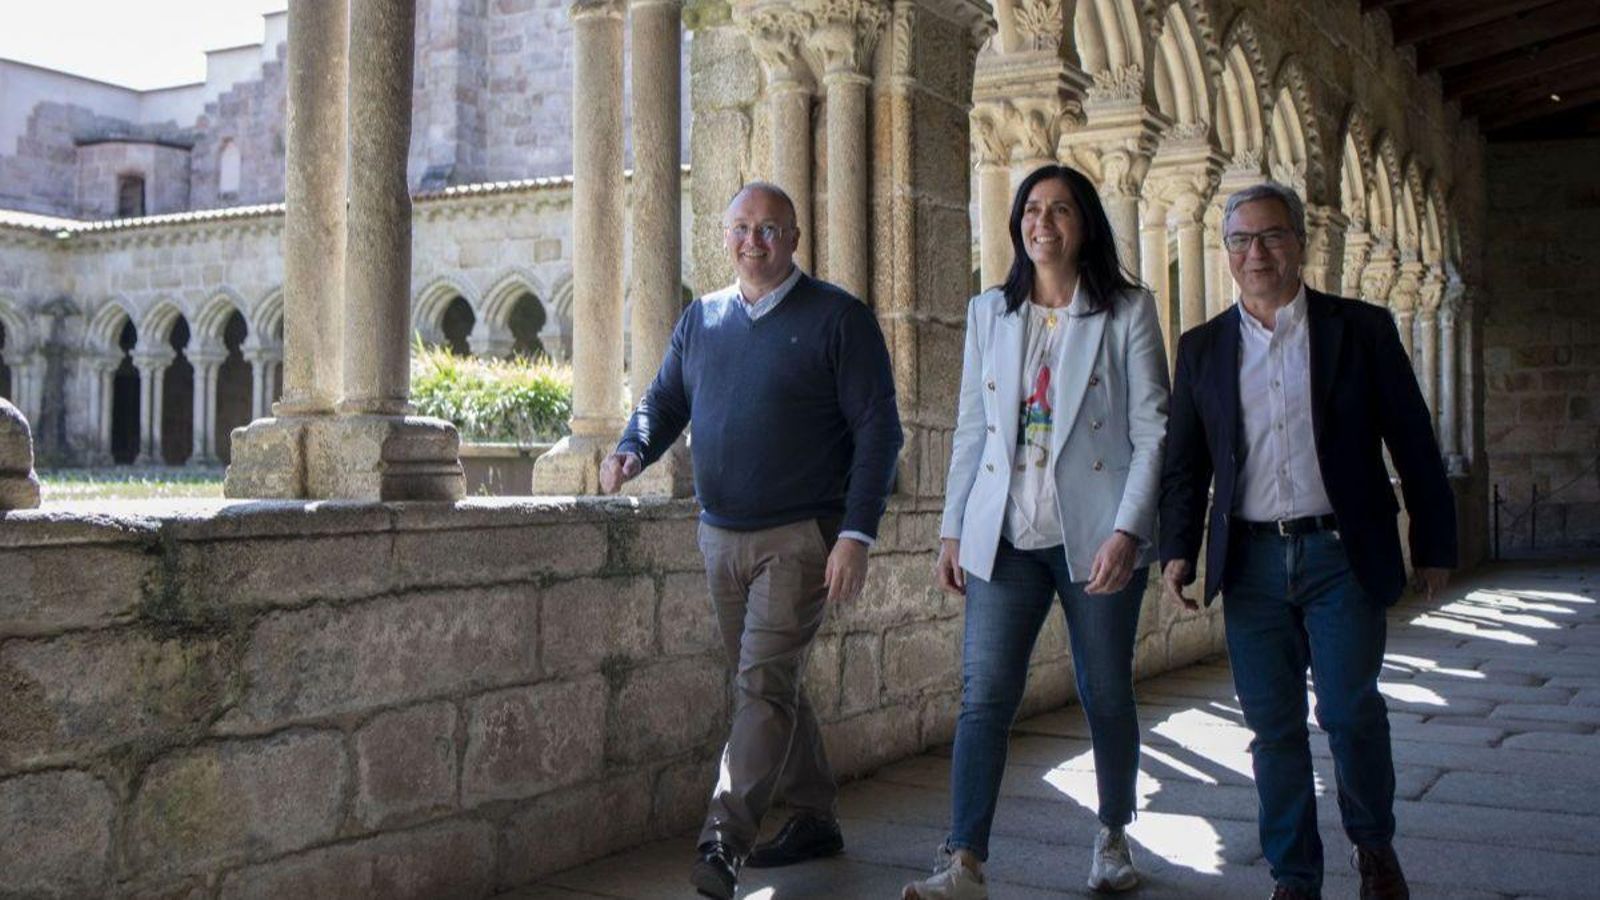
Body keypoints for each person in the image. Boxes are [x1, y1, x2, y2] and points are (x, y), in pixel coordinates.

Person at [599, 181, 903, 900]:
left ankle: (723, 839)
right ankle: (815, 815)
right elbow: (663, 400)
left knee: (760, 684)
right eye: (741, 227)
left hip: (801, 535)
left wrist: (855, 533)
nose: (753, 241)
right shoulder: (701, 319)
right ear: (724, 236)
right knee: (768, 680)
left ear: (794, 238)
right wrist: (630, 450)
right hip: (719, 535)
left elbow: (878, 431)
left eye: (769, 229)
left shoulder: (839, 318)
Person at [1158, 181, 1457, 900]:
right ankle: (1295, 874)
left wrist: (1437, 541)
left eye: (1270, 236)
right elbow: (1184, 460)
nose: (1254, 252)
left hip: (1340, 554)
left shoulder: (1362, 329)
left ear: (1301, 243)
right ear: (1224, 251)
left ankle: (1374, 846)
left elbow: (1413, 439)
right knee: (1272, 726)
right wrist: (1177, 550)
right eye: (1239, 240)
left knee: (1351, 710)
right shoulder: (1202, 348)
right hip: (1252, 561)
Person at [902, 164, 1169, 900]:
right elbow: (972, 429)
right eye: (1031, 209)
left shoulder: (1127, 311)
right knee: (984, 695)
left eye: (1059, 210)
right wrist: (953, 527)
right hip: (1005, 538)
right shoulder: (991, 312)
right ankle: (964, 861)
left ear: (1085, 224)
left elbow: (1153, 434)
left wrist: (1128, 530)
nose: (1041, 222)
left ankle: (1113, 835)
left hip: (1095, 538)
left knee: (1105, 689)